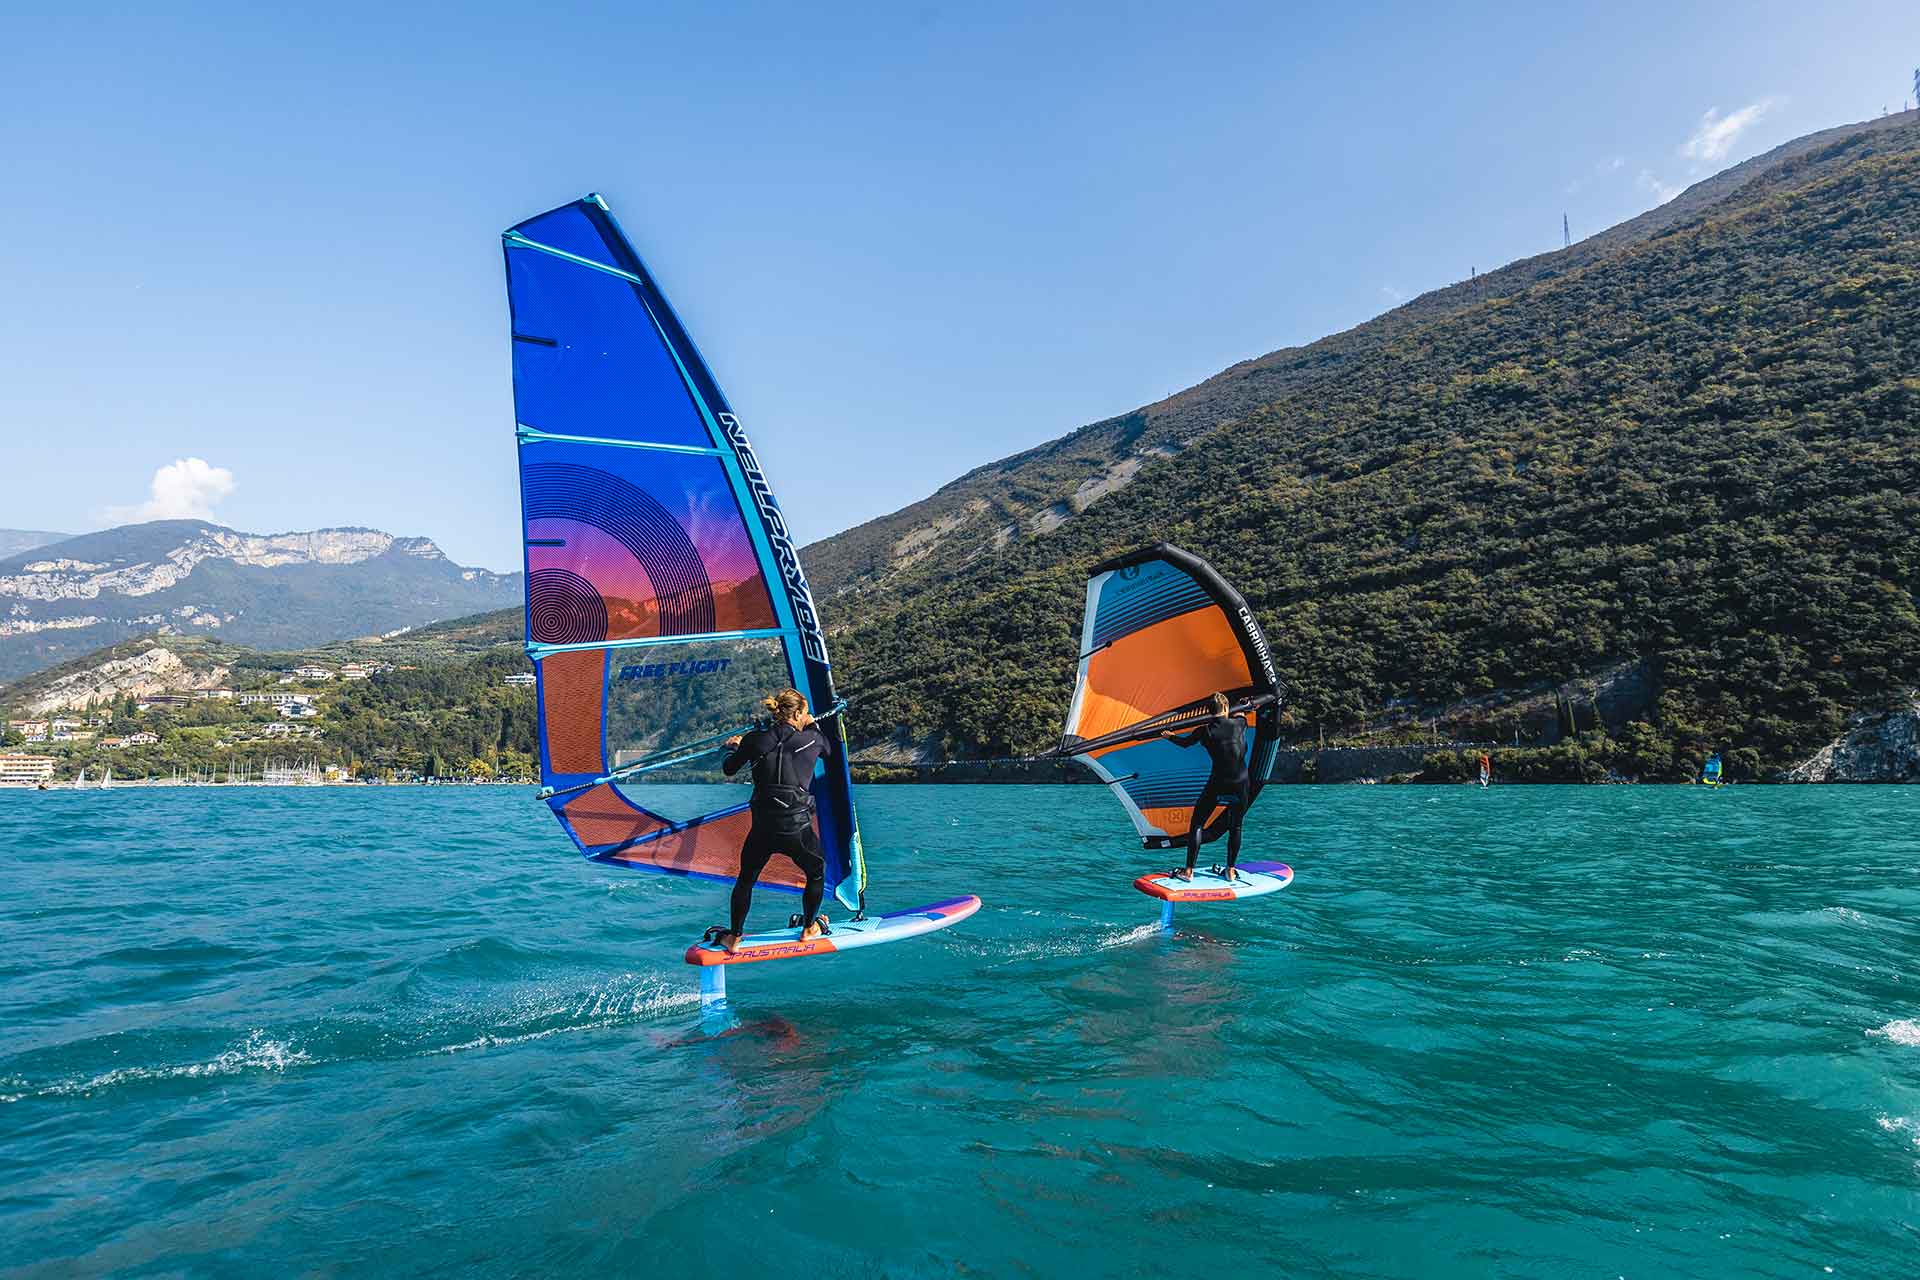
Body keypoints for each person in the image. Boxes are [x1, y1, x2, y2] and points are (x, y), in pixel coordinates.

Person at [712, 689, 830, 952]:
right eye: (805, 712)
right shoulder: (812, 739)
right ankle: (809, 927)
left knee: (746, 879)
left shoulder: (754, 740)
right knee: (816, 872)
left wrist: (734, 748)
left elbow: (729, 768)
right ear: (797, 714)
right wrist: (812, 723)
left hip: (763, 830)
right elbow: (828, 750)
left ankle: (734, 937)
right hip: (797, 831)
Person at [1161, 692, 1249, 881]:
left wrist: (1170, 736)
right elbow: (1242, 714)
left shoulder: (1204, 731)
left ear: (1209, 711)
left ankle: (1188, 871)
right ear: (1226, 707)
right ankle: (1231, 871)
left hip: (1218, 783)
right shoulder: (1239, 724)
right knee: (1236, 827)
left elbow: (1185, 744)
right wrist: (1243, 704)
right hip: (1240, 783)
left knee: (1197, 824)